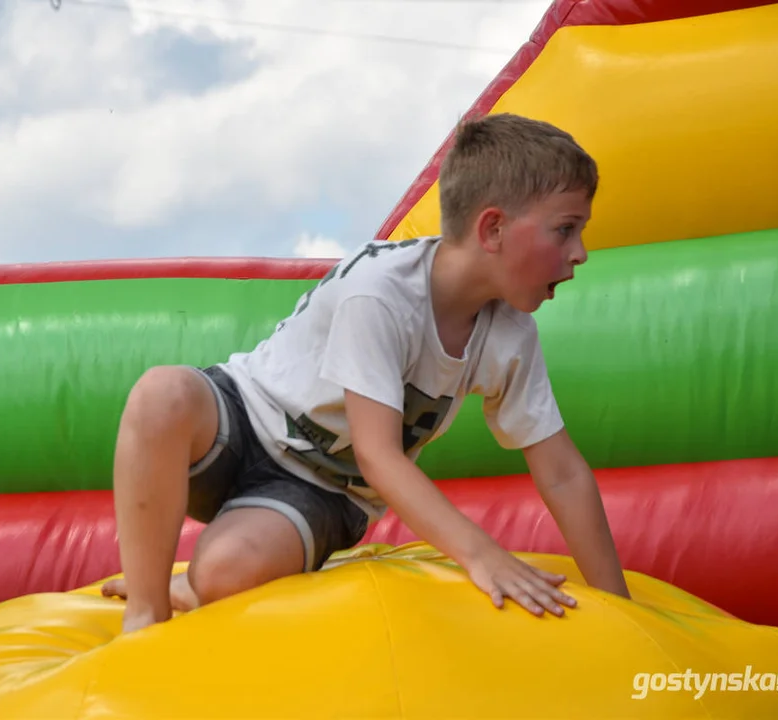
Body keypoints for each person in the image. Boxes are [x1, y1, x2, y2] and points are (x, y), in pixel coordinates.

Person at [102, 112, 631, 635]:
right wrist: (482, 555)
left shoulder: (509, 334)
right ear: (492, 228)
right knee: (162, 393)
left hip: (324, 489)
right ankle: (146, 611)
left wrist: (620, 607)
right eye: (565, 230)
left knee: (224, 574)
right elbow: (380, 455)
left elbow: (561, 472)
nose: (579, 253)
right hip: (242, 418)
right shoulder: (382, 292)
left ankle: (191, 588)